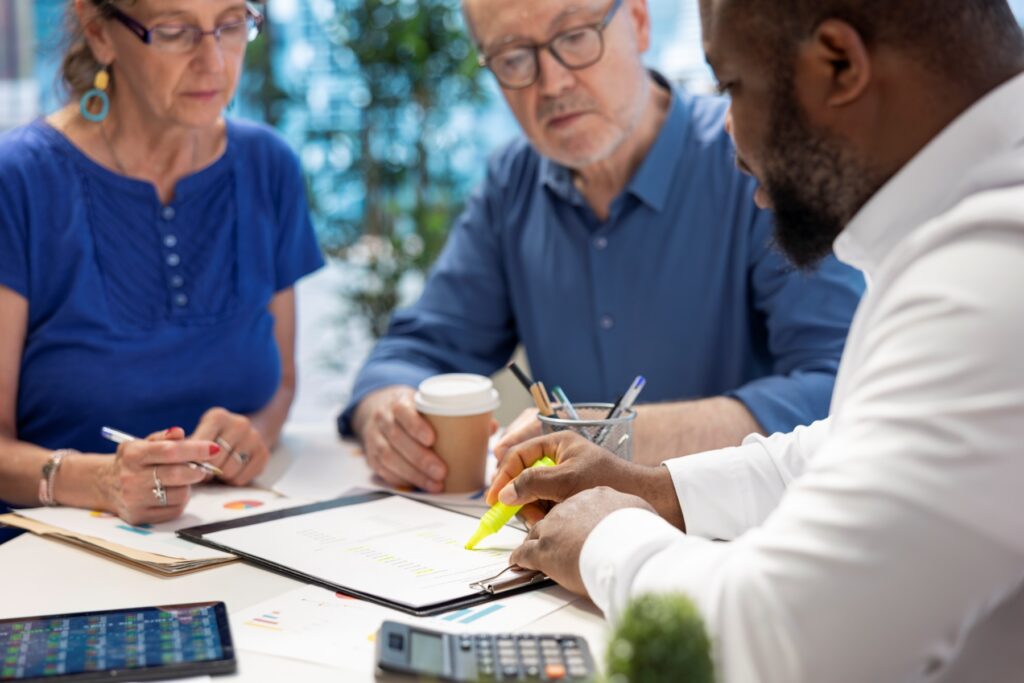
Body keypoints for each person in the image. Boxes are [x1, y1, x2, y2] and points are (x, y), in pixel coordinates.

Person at [486, 0, 1024, 680]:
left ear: (839, 64)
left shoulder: (995, 271)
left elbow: (777, 642)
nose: (733, 142)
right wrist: (655, 489)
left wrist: (606, 534)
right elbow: (849, 447)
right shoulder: (975, 227)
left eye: (732, 86)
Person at [338, 0, 864, 493]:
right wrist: (387, 414)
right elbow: (416, 349)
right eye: (513, 57)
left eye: (575, 37)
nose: (552, 81)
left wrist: (612, 437)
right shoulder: (513, 182)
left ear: (638, 21)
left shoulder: (752, 163)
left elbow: (840, 391)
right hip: (574, 552)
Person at [0, 0, 323, 536]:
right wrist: (99, 479)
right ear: (99, 31)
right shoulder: (20, 181)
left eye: (232, 24)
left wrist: (256, 435)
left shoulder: (270, 166)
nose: (214, 62)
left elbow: (282, 384)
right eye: (174, 31)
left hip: (230, 541)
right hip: (50, 561)